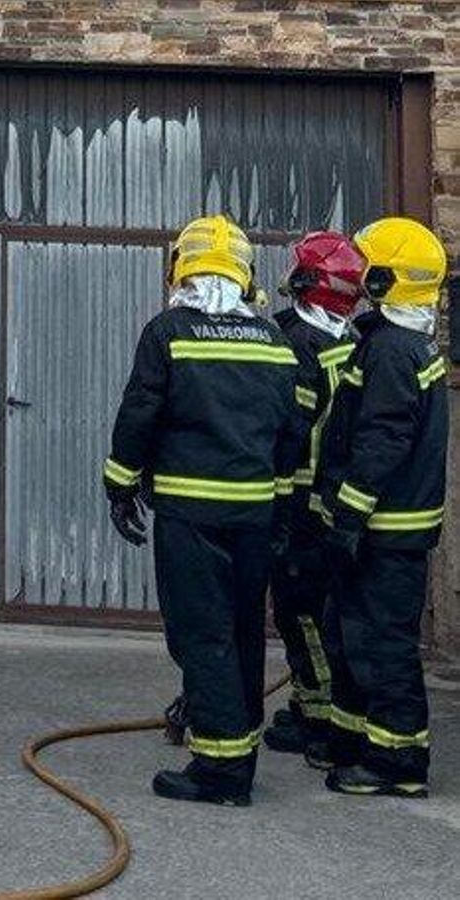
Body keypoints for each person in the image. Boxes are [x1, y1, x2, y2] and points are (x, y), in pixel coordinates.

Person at [103, 215, 305, 806]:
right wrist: (282, 504)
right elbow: (291, 431)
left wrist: (119, 484)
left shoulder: (168, 332)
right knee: (243, 630)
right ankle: (236, 748)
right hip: (254, 515)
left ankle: (219, 770)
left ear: (181, 269)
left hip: (191, 513)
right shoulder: (274, 341)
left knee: (202, 632)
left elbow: (140, 412)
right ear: (244, 275)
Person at [314, 217, 448, 798]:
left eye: (368, 269)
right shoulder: (394, 340)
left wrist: (348, 515)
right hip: (386, 529)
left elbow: (381, 441)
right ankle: (354, 743)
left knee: (383, 645)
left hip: (384, 531)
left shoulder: (392, 351)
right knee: (352, 638)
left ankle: (398, 763)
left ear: (388, 278)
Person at [261, 233, 363, 758]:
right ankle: (311, 705)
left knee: (300, 610)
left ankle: (317, 714)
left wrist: (278, 510)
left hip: (300, 503)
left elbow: (291, 433)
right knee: (320, 607)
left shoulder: (296, 342)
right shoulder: (351, 340)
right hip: (334, 498)